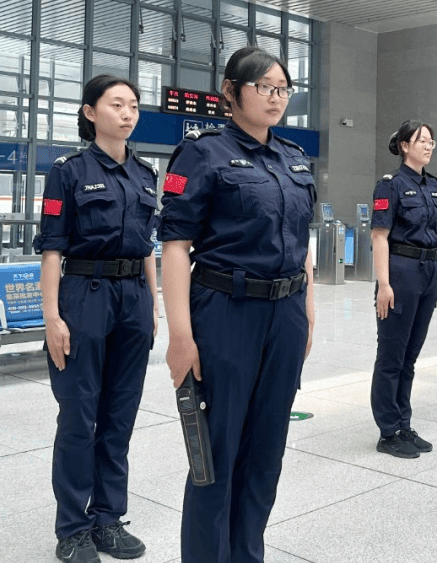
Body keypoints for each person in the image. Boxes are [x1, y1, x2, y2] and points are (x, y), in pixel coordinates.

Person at [161, 47, 316, 563]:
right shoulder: (202, 153)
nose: (275, 98)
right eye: (264, 87)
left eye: (283, 89)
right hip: (226, 311)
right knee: (217, 453)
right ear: (231, 91)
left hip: (286, 313)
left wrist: (308, 311)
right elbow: (177, 246)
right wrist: (180, 337)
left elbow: (302, 241)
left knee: (266, 452)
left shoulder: (294, 156)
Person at [36, 74, 159, 563]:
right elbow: (51, 249)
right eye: (116, 104)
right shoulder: (67, 170)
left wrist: (154, 305)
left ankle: (108, 518)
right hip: (84, 295)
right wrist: (52, 318)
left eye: (133, 105)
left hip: (133, 297)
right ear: (90, 112)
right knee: (78, 416)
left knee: (120, 415)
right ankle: (73, 527)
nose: (127, 113)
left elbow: (149, 244)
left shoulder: (146, 173)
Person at [370, 120, 437, 458]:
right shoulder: (391, 186)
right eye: (421, 140)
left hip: (427, 272)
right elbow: (379, 237)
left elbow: (435, 233)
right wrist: (384, 284)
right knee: (392, 356)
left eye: (431, 141)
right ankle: (388, 431)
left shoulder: (433, 186)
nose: (428, 146)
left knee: (410, 356)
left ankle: (404, 423)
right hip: (400, 272)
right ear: (403, 146)